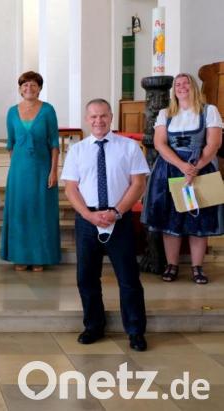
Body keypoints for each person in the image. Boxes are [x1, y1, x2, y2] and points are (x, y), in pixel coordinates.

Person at [61, 99, 148, 352]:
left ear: (111, 117)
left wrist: (117, 212)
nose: (98, 121)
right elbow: (70, 188)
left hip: (119, 220)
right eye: (93, 117)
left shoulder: (129, 147)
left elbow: (138, 184)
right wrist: (89, 216)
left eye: (103, 116)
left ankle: (135, 331)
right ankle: (93, 326)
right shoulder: (77, 151)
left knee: (129, 278)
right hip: (87, 221)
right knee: (86, 278)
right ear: (87, 119)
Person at [143, 73, 223, 284]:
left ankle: (197, 267)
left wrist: (195, 167)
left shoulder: (209, 111)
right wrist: (182, 166)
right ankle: (172, 264)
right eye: (178, 84)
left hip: (201, 168)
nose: (181, 86)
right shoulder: (165, 113)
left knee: (199, 220)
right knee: (171, 220)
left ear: (194, 86)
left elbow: (213, 143)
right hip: (169, 169)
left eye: (186, 82)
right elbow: (160, 143)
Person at [0, 71, 61, 271]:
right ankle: (20, 256)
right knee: (20, 210)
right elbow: (11, 143)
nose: (29, 88)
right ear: (20, 89)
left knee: (40, 211)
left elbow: (54, 144)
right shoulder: (11, 112)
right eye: (25, 85)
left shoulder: (48, 110)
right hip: (19, 171)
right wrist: (17, 166)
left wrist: (53, 171)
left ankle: (40, 257)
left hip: (43, 168)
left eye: (33, 85)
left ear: (40, 88)